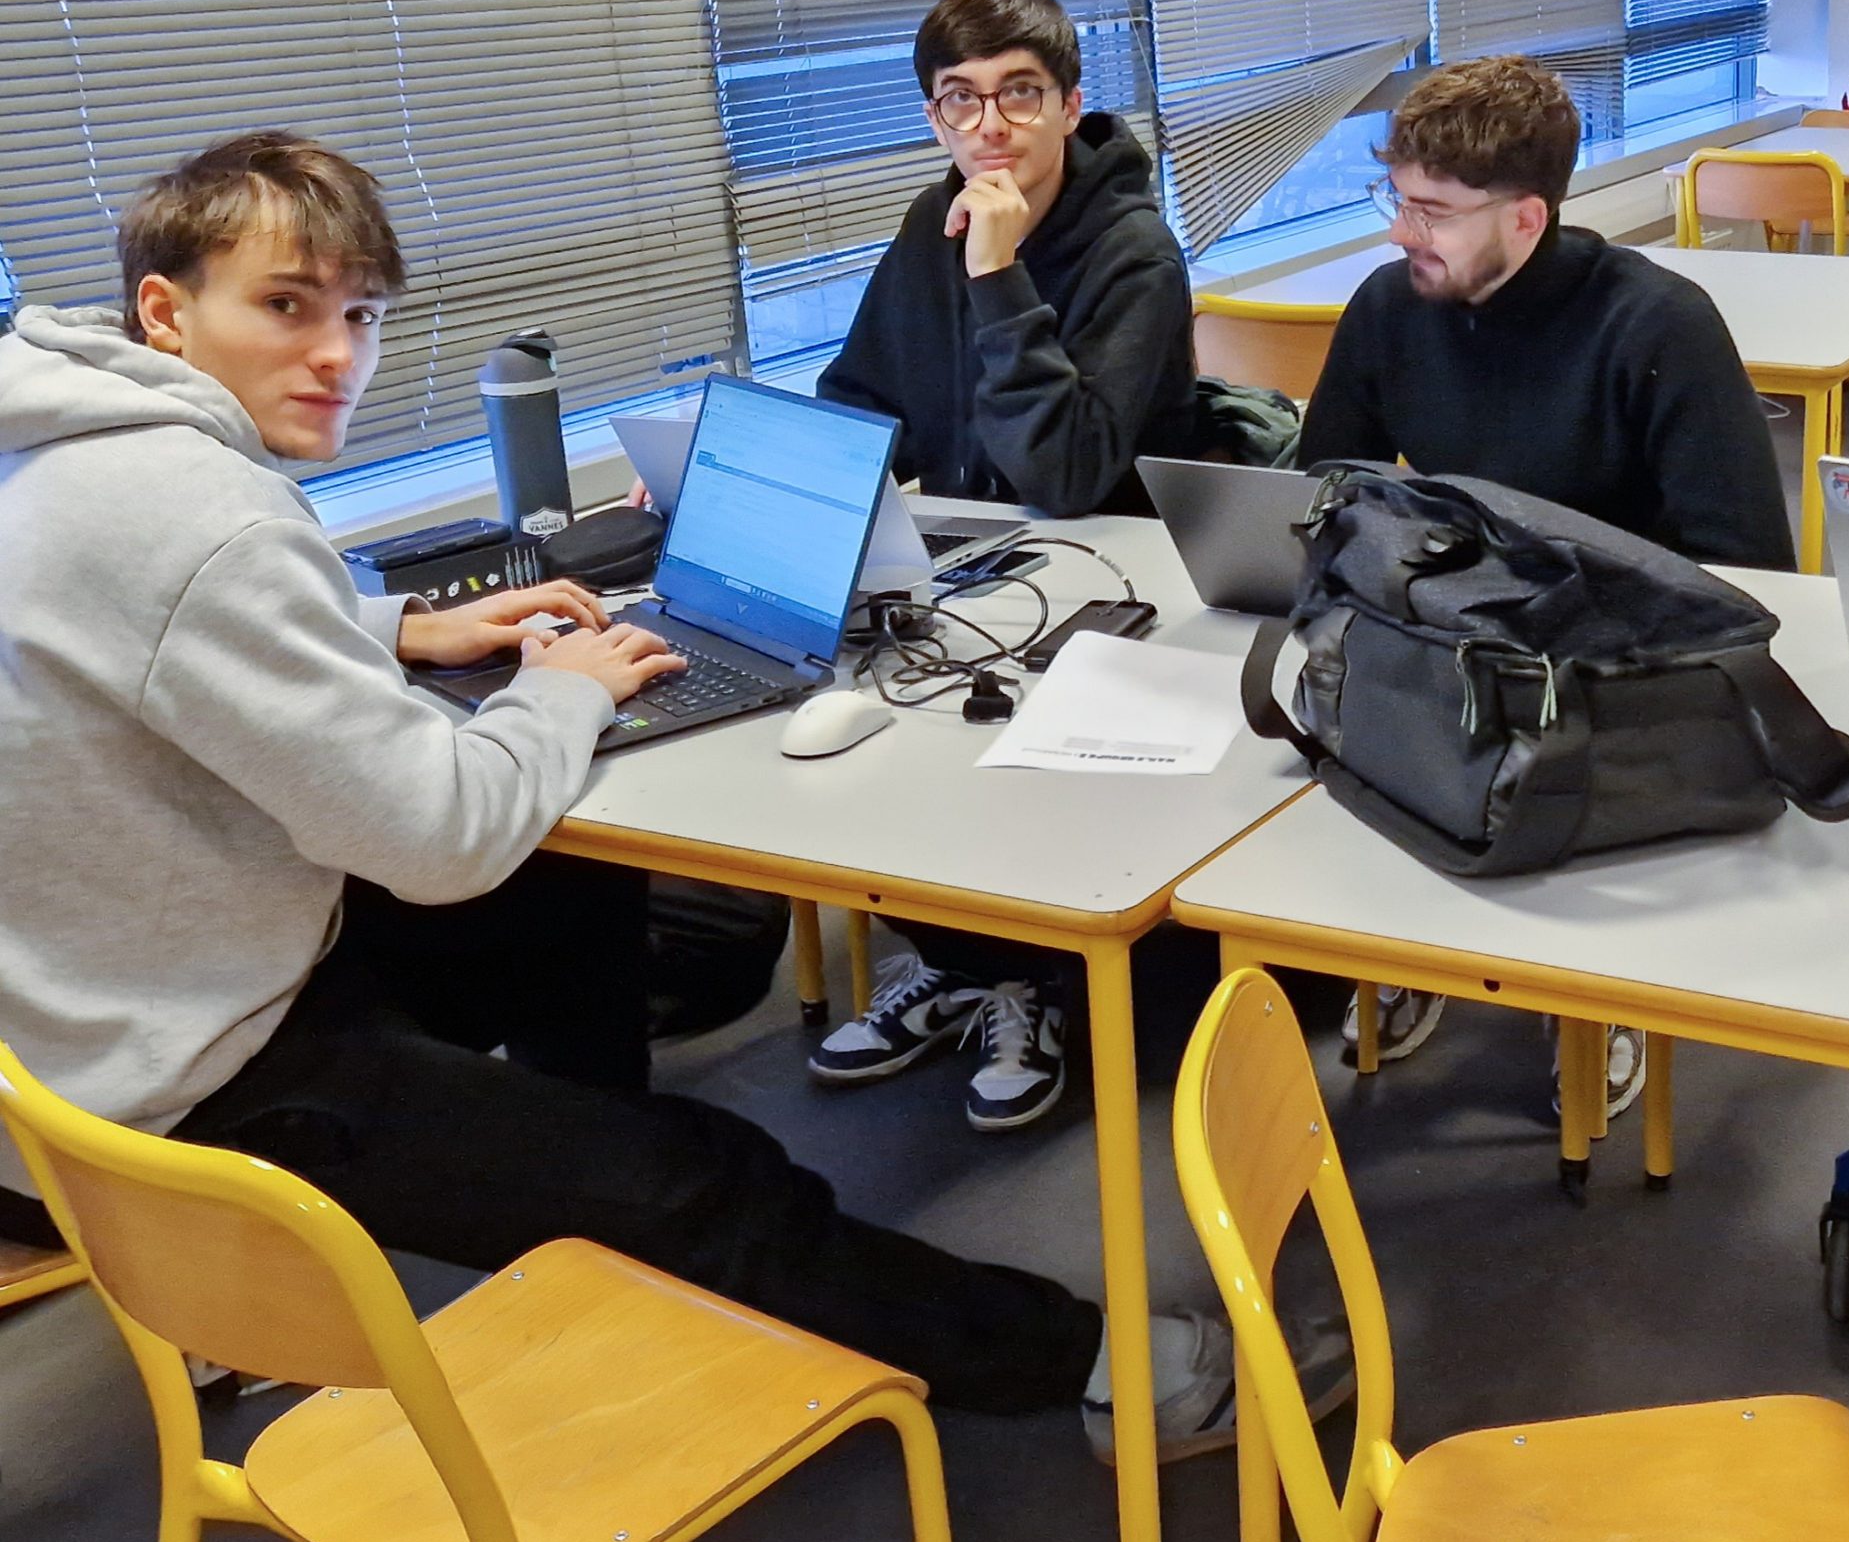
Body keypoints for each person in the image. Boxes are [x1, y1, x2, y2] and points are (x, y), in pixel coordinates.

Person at [0, 131, 1340, 1462]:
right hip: (187, 1082)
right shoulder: (205, 513)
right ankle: (1099, 1367)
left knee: (563, 887)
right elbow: (442, 836)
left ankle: (587, 1193)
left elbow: (161, 623)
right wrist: (565, 687)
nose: (338, 356)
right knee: (709, 1172)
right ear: (168, 311)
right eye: (285, 308)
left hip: (83, 1016)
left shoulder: (75, 456)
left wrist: (396, 625)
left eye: (360, 314)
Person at [1297, 54, 1798, 1114]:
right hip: (1453, 636)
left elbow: (1746, 565)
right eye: (1397, 198)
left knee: (1493, 768)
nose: (1400, 231)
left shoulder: (1657, 325)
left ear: (1525, 219)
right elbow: (1325, 481)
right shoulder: (1393, 305)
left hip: (1615, 666)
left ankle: (1590, 990)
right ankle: (1422, 948)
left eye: (1431, 210)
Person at [805, 0, 1196, 1129]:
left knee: (973, 742)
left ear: (1071, 105)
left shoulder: (1134, 252)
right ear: (934, 119)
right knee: (860, 714)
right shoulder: (930, 226)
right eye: (959, 101)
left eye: (1020, 94)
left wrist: (998, 274)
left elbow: (1065, 473)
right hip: (985, 569)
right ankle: (969, 960)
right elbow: (860, 396)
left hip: (1127, 592)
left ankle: (1027, 977)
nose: (991, 126)